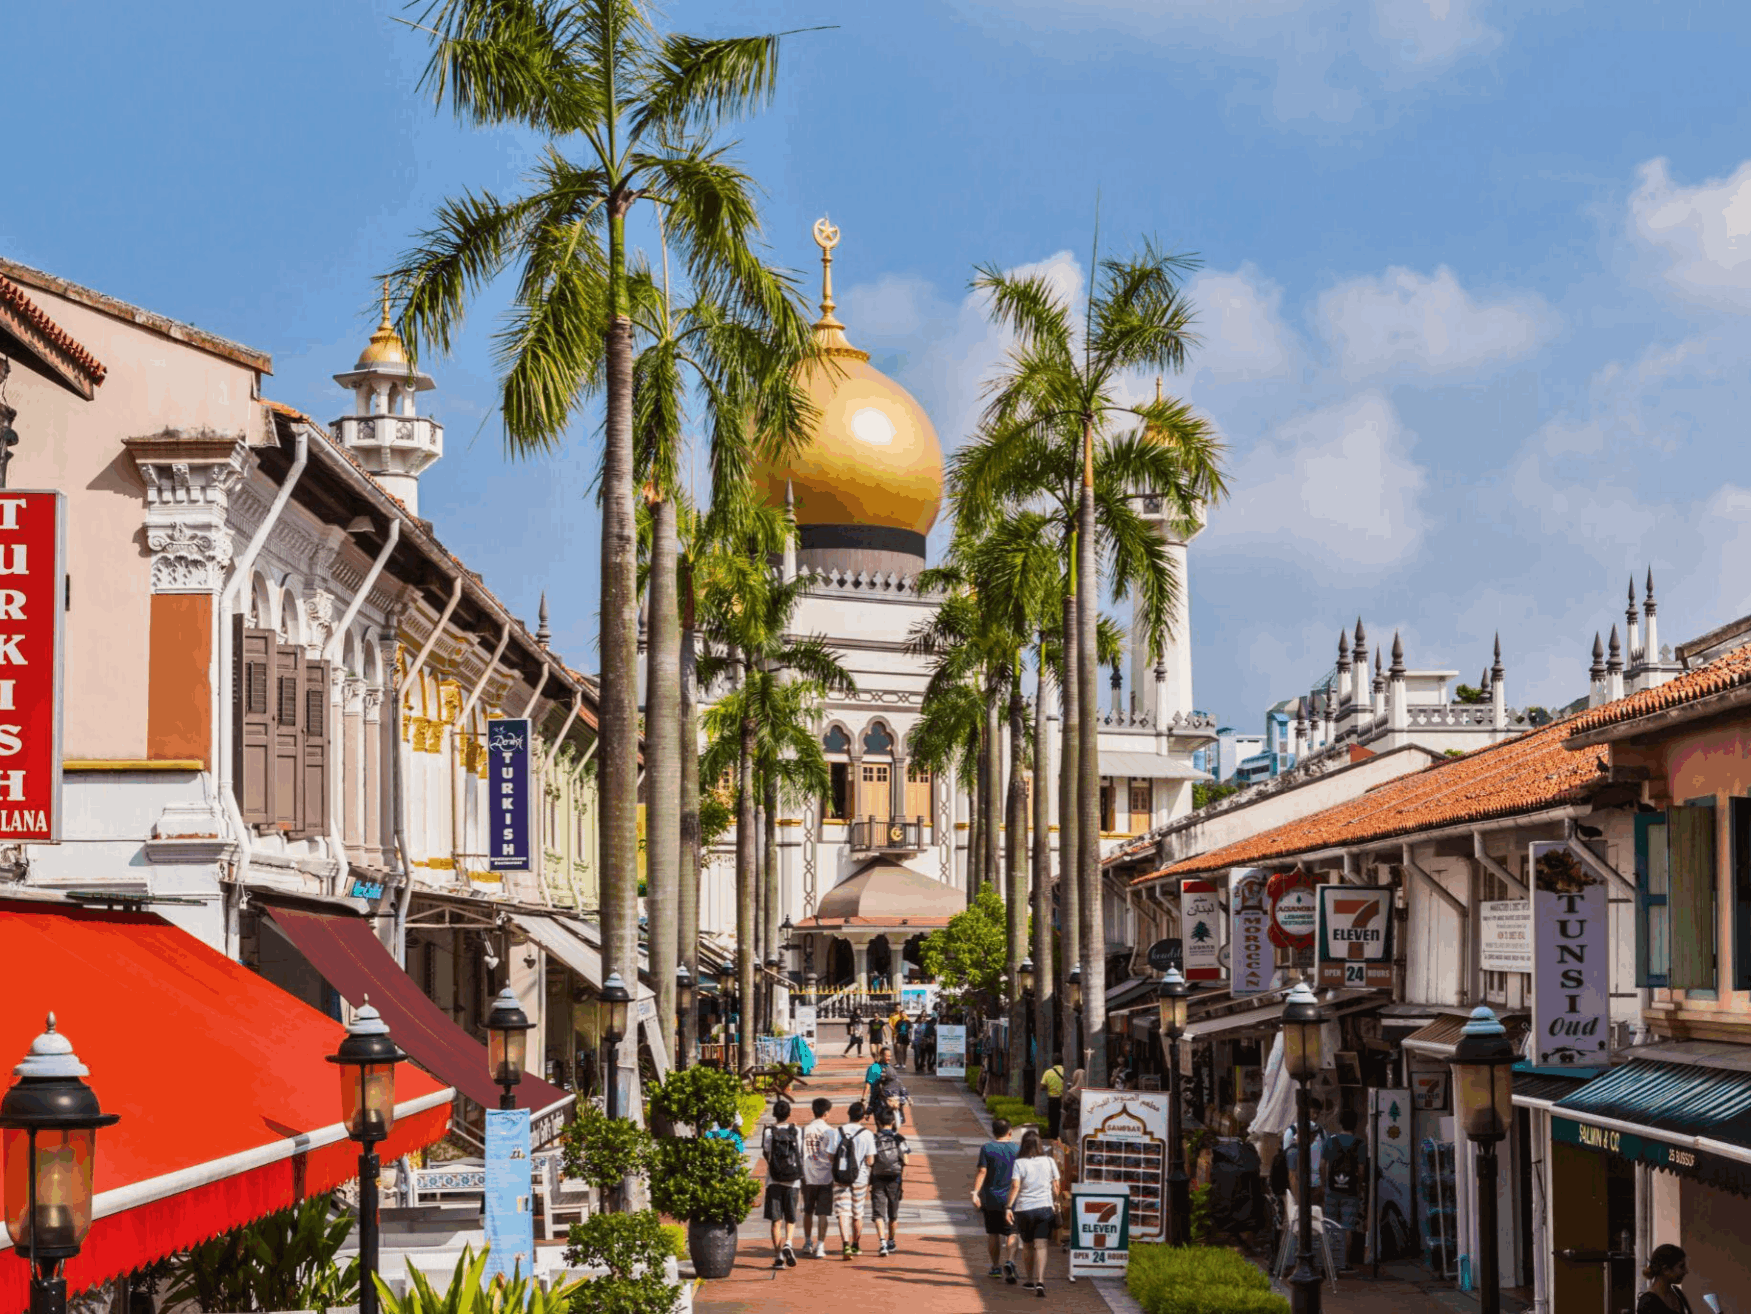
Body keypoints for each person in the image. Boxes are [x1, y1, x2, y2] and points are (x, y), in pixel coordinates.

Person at [1004, 1127, 1061, 1297]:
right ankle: (1041, 1280)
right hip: (1044, 1208)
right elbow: (1056, 1185)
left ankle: (1029, 1279)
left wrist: (1008, 1207)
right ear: (1039, 1145)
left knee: (1027, 1245)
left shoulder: (1020, 1163)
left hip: (1024, 1209)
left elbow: (1015, 1186)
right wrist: (1055, 1200)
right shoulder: (1049, 1161)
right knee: (1042, 1245)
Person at [971, 1117, 1021, 1283]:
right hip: (1011, 1198)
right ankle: (1011, 1261)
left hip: (991, 1197)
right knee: (1012, 1232)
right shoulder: (1017, 1149)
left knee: (993, 1233)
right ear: (1010, 1131)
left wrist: (975, 1192)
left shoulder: (987, 1148)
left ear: (993, 1131)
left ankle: (995, 1267)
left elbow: (982, 1171)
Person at [1322, 1108, 1369, 1269]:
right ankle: (1344, 1262)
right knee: (1347, 1226)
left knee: (1330, 1224)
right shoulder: (1360, 1143)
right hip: (1351, 1191)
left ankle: (1330, 1259)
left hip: (1332, 1189)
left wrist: (1325, 1183)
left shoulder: (1330, 1140)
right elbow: (1361, 1169)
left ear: (1339, 1123)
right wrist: (1359, 1185)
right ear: (1355, 1124)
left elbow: (1322, 1165)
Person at [761, 1099, 804, 1269]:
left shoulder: (769, 1132)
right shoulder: (797, 1131)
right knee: (790, 1218)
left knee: (776, 1220)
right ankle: (788, 1243)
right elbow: (799, 1153)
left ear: (774, 1114)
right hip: (793, 1181)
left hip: (774, 1180)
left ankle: (778, 1256)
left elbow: (766, 1153)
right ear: (789, 1114)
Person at [832, 1100, 877, 1260]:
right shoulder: (867, 1134)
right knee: (858, 1212)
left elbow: (831, 1156)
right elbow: (870, 1160)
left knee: (843, 1211)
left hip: (840, 1176)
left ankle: (845, 1245)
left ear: (848, 1114)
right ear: (863, 1116)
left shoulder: (837, 1132)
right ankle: (856, 1245)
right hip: (860, 1177)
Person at [866, 1105, 911, 1257]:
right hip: (895, 1179)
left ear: (877, 1122)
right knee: (893, 1214)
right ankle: (891, 1241)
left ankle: (882, 1242)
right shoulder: (899, 1138)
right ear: (893, 1122)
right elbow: (906, 1160)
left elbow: (870, 1161)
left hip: (877, 1178)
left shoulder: (873, 1138)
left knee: (878, 1213)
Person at [799, 1096, 839, 1259]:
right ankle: (820, 1246)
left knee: (808, 1211)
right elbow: (833, 1155)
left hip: (807, 1175)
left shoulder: (804, 1130)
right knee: (823, 1213)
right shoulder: (831, 1132)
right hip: (826, 1177)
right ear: (827, 1113)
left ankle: (808, 1242)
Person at [1638, 1245, 1693, 1313]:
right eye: (1681, 1266)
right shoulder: (1648, 1302)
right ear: (1665, 1269)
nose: (1686, 1271)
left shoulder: (1677, 1292)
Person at [1038, 1056, 1066, 1140]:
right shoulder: (1066, 1071)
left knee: (1053, 1119)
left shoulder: (1048, 1072)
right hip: (1064, 1099)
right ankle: (1063, 1137)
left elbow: (1042, 1087)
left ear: (1053, 1062)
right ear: (1062, 1062)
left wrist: (1050, 1087)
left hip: (1053, 1099)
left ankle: (1054, 1138)